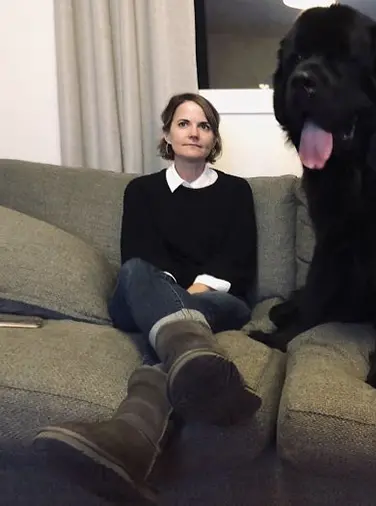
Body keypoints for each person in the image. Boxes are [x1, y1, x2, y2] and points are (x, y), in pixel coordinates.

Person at [33, 93, 259, 503]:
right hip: (143, 292)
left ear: (213, 139)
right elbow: (140, 255)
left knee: (190, 324)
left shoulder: (237, 192)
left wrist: (186, 297)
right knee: (136, 270)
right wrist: (172, 295)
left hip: (219, 301)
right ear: (167, 135)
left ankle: (129, 441)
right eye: (184, 123)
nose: (194, 132)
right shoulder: (141, 191)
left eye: (204, 125)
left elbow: (237, 260)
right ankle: (198, 361)